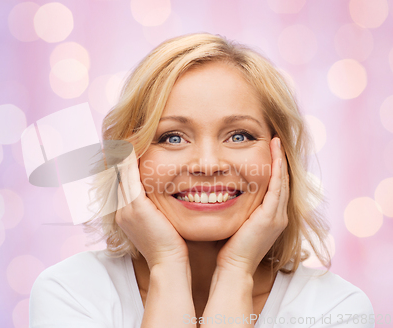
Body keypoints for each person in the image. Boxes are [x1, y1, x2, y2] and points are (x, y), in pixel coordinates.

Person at [29, 33, 374, 328]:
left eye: (239, 136)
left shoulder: (335, 309)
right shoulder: (71, 293)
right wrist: (167, 266)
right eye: (172, 138)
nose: (208, 164)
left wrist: (236, 272)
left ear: (279, 159)